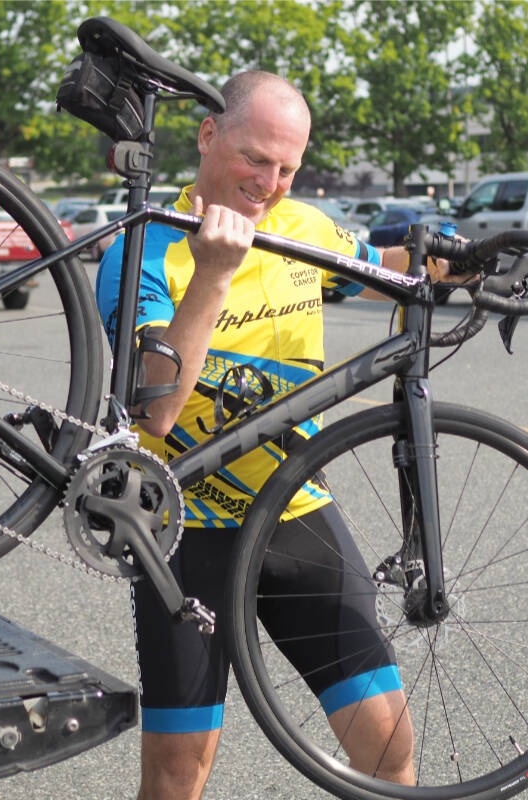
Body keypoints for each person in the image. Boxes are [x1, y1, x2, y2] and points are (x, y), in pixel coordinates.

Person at [95, 71, 455, 800]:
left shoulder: (306, 231)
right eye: (256, 159)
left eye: (287, 167)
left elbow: (386, 270)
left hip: (296, 515)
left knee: (388, 749)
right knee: (178, 773)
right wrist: (215, 274)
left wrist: (475, 258)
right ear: (207, 134)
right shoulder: (141, 254)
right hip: (185, 535)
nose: (270, 183)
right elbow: (154, 410)